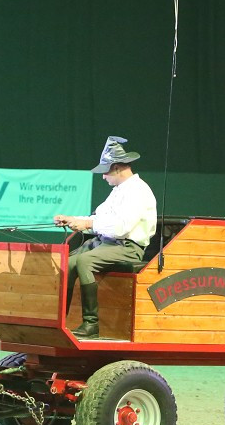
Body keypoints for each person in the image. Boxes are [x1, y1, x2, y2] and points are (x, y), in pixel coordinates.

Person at [54, 136, 157, 339]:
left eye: (105, 171)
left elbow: (121, 228)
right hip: (107, 244)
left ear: (117, 168)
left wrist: (88, 224)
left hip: (128, 248)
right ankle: (61, 321)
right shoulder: (119, 191)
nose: (103, 177)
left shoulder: (138, 191)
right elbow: (100, 220)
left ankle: (91, 324)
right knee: (69, 261)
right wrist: (74, 219)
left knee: (84, 261)